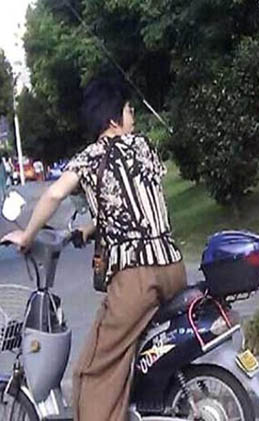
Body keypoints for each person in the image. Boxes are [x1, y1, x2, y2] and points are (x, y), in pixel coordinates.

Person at [1, 78, 186, 421]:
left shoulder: (91, 157)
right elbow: (132, 205)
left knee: (90, 373)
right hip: (173, 267)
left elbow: (54, 194)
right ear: (113, 119)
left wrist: (27, 236)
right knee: (126, 351)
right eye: (129, 110)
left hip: (137, 279)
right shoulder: (144, 146)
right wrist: (88, 230)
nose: (132, 116)